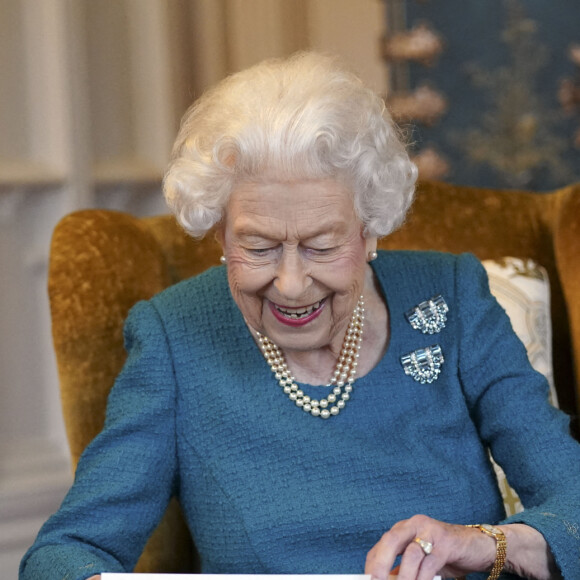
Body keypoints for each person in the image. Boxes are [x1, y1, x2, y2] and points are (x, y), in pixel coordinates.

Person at [20, 52, 580, 580]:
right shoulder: (175, 337)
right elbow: (65, 552)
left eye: (321, 246)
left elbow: (573, 500)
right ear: (219, 231)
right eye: (259, 248)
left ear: (370, 228)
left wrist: (488, 544)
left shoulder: (451, 296)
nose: (290, 285)